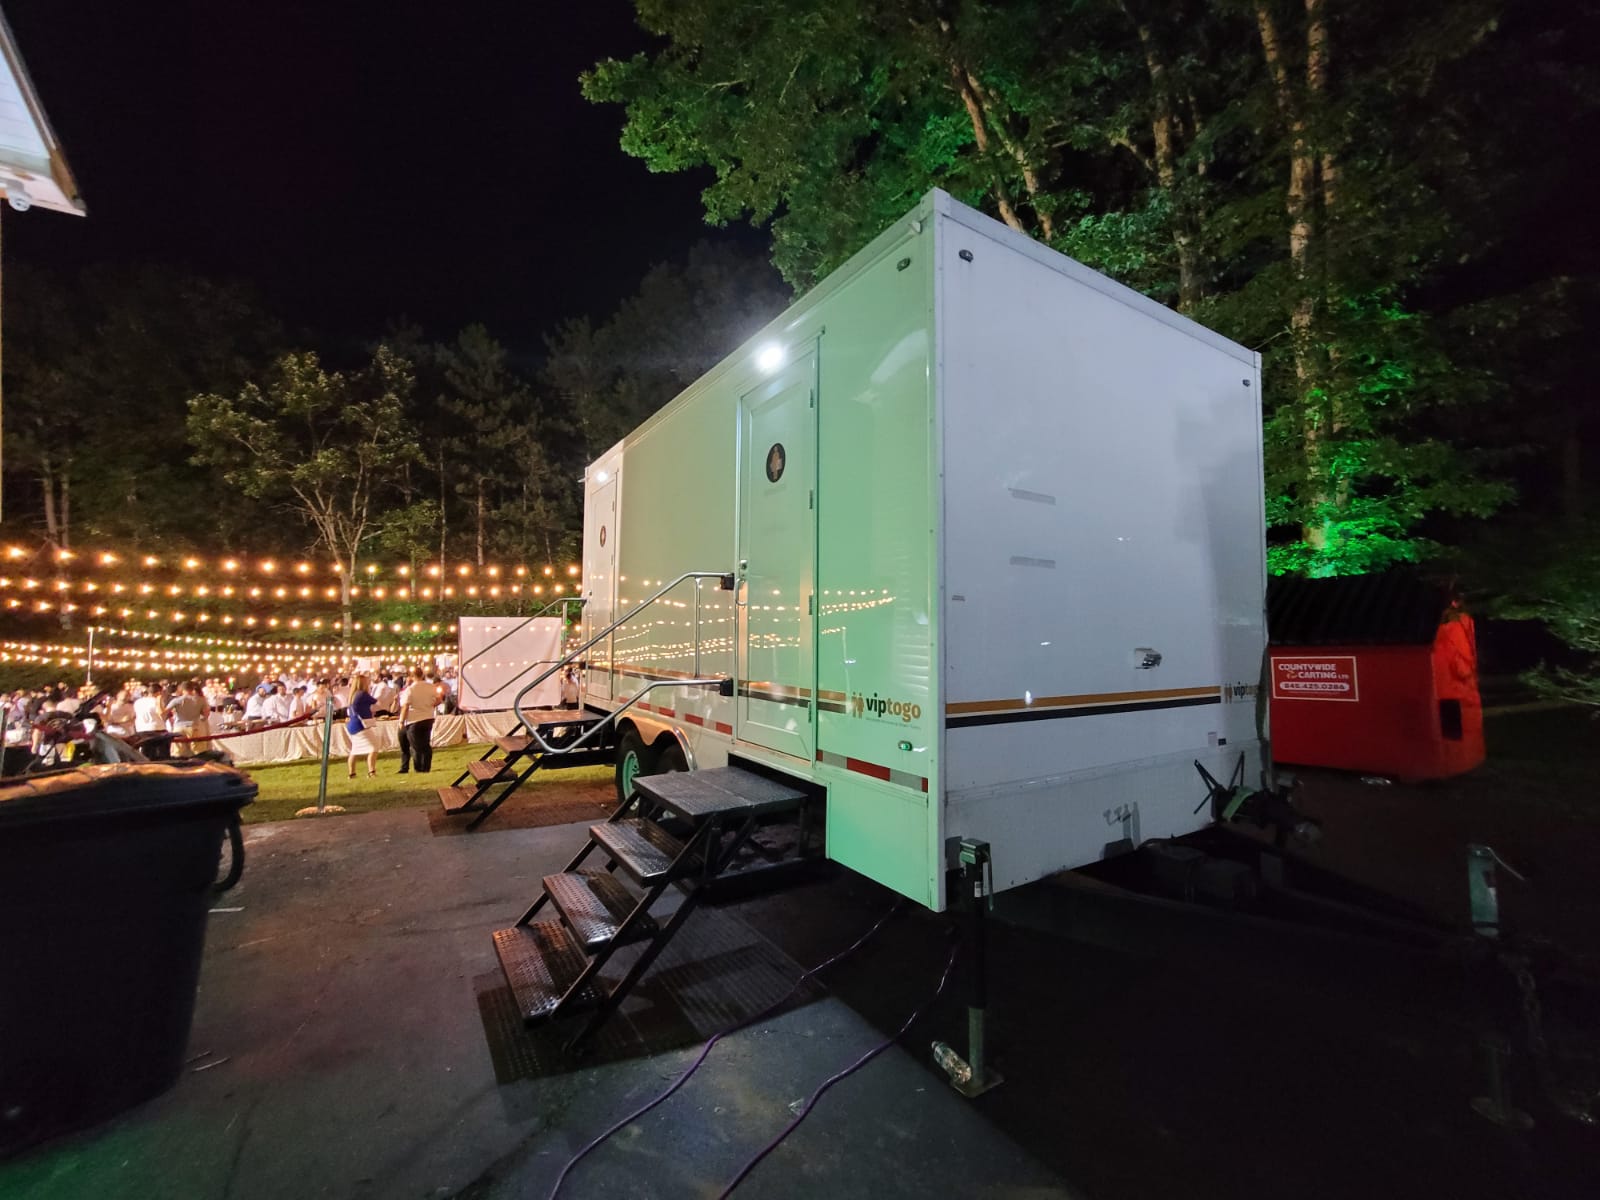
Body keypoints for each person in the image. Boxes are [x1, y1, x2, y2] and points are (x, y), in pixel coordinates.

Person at [396, 671, 442, 774]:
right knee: (425, 743)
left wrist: (401, 721)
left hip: (414, 719)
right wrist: (431, 705)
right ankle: (426, 767)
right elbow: (439, 699)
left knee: (416, 746)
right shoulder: (430, 686)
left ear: (412, 676)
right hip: (428, 717)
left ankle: (419, 768)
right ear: (422, 675)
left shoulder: (410, 689)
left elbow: (405, 706)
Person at [345, 673, 378, 779]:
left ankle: (352, 773)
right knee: (373, 747)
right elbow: (376, 701)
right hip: (361, 725)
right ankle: (371, 771)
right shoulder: (363, 694)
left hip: (353, 725)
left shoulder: (353, 695)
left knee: (355, 750)